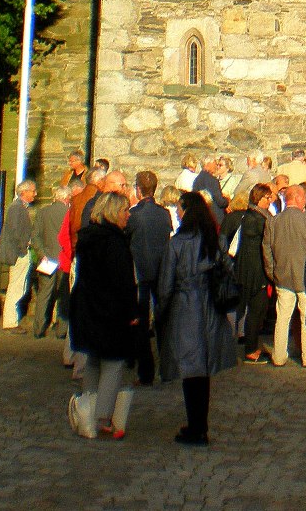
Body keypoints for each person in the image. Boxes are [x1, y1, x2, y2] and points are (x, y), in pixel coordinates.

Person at [157, 191, 237, 445]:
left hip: (186, 307)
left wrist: (160, 312)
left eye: (180, 209)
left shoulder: (177, 244)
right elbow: (228, 269)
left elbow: (166, 284)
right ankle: (199, 424)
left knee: (191, 369)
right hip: (210, 306)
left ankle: (196, 426)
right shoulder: (215, 240)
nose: (177, 213)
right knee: (202, 370)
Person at [68, 191, 139, 440]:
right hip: (110, 309)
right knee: (113, 363)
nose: (128, 216)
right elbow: (123, 282)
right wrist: (132, 311)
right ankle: (101, 417)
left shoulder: (88, 238)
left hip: (89, 307)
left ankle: (87, 412)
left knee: (94, 361)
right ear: (113, 212)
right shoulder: (114, 242)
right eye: (124, 211)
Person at [264, 182, 306, 368]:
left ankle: (279, 356)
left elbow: (266, 250)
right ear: (299, 198)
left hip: (282, 276)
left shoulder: (273, 221)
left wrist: (272, 273)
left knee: (282, 318)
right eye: (304, 198)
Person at [126, 170, 172, 385]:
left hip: (140, 272)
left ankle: (145, 371)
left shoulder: (134, 215)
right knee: (163, 321)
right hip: (161, 270)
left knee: (141, 323)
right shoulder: (164, 214)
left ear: (138, 189)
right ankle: (166, 367)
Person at [237, 183, 276, 364]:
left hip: (252, 269)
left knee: (256, 310)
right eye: (267, 198)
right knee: (256, 310)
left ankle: (252, 346)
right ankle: (251, 350)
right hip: (255, 271)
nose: (270, 201)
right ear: (259, 198)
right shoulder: (257, 219)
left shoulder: (254, 216)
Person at [0, 179, 37, 330]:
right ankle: (10, 322)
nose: (35, 194)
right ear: (24, 192)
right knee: (16, 286)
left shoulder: (20, 207)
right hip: (18, 253)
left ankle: (12, 320)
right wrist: (22, 250)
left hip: (20, 251)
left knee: (20, 286)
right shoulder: (16, 208)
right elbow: (15, 232)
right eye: (32, 191)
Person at [31, 184, 71, 339]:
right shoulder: (69, 212)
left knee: (44, 294)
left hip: (47, 257)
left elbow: (36, 236)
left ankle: (38, 329)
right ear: (67, 198)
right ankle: (62, 330)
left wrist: (42, 254)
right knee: (64, 294)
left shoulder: (43, 212)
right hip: (64, 258)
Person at [191, 157, 228, 224]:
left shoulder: (197, 179)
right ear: (208, 164)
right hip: (214, 218)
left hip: (202, 217)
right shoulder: (212, 180)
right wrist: (226, 200)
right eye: (215, 164)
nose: (216, 167)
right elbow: (220, 201)